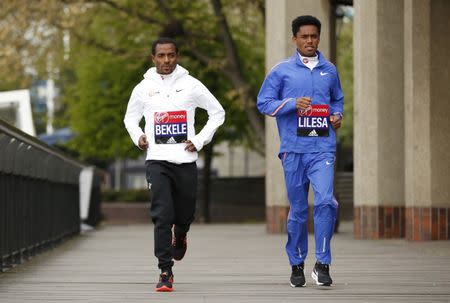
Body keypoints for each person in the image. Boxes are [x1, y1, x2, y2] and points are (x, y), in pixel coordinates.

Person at [124, 37, 225, 292]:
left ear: (177, 56)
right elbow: (130, 119)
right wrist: (139, 137)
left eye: (171, 55)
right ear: (153, 58)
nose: (166, 60)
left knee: (184, 214)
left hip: (185, 160)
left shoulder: (191, 85)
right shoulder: (142, 88)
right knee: (161, 215)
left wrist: (199, 140)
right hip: (157, 160)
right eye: (161, 56)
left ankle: (181, 233)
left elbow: (218, 112)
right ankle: (165, 270)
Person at [257, 15, 343, 287]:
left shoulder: (329, 70)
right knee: (297, 210)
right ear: (294, 39)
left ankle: (322, 263)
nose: (309, 41)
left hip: (323, 149)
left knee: (326, 201)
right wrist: (292, 103)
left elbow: (337, 100)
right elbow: (264, 103)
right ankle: (296, 263)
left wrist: (337, 115)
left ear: (319, 37)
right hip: (293, 150)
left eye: (314, 36)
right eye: (304, 36)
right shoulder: (281, 71)